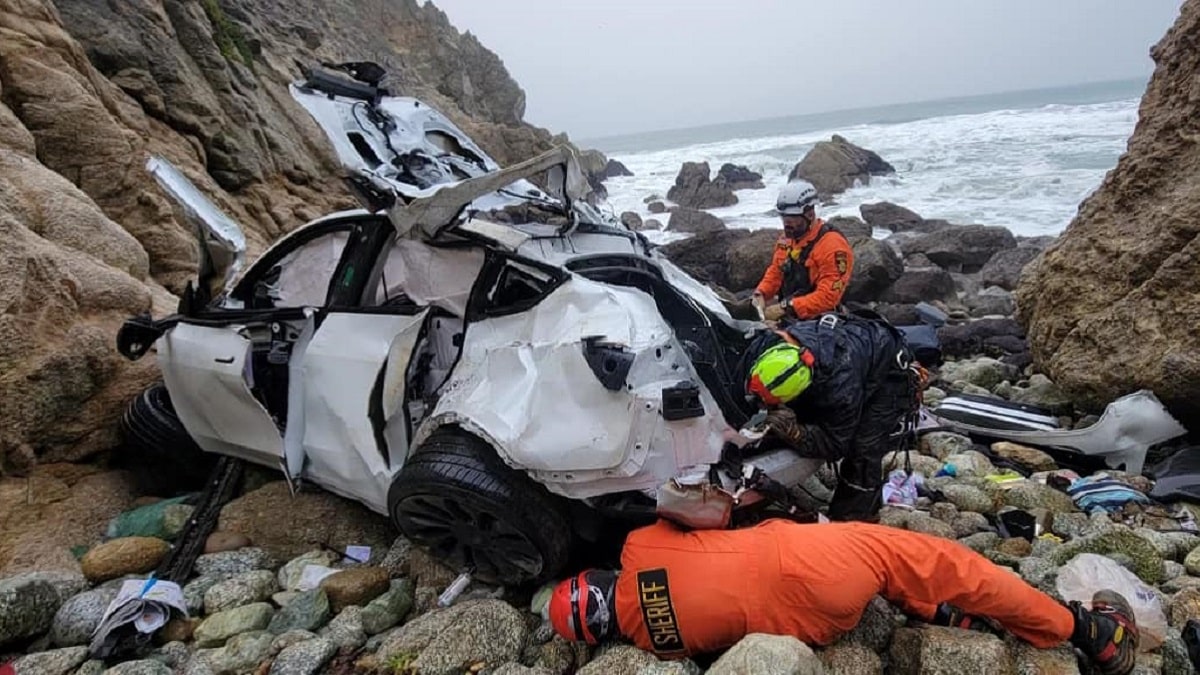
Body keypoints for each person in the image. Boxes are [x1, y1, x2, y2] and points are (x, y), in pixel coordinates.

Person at [547, 518, 1138, 675]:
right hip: (812, 561)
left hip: (822, 624)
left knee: (892, 580)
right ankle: (1088, 633)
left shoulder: (659, 644)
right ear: (595, 579)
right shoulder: (639, 547)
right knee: (946, 562)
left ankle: (945, 616)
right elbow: (709, 512)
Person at [737, 311, 920, 521]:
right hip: (852, 344)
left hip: (887, 372)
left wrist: (795, 433)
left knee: (863, 451)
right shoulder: (769, 346)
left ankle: (851, 519)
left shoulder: (841, 390)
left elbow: (835, 444)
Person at [754, 180, 854, 322]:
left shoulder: (832, 246)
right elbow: (776, 271)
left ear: (810, 215)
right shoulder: (787, 239)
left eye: (792, 218)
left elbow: (828, 297)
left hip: (822, 318)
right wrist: (761, 294)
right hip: (791, 311)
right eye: (784, 217)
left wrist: (786, 308)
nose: (786, 224)